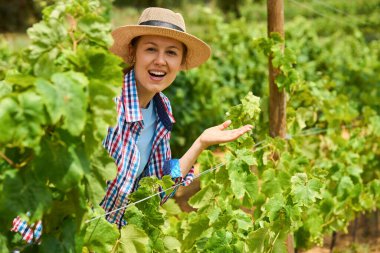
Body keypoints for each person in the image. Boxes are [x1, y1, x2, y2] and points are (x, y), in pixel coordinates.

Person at [100, 7, 253, 228]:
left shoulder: (161, 109)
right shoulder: (107, 102)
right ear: (134, 52)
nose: (160, 61)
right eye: (151, 49)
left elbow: (155, 192)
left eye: (171, 53)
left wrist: (201, 143)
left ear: (181, 62)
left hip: (111, 239)